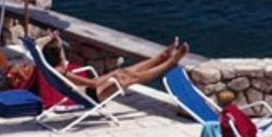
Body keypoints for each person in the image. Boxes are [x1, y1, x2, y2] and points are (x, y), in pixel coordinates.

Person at [42, 32, 189, 102]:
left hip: (90, 91)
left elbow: (52, 48)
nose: (64, 52)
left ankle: (161, 57)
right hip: (93, 95)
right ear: (58, 55)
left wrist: (54, 38)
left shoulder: (52, 66)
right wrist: (110, 77)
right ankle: (170, 63)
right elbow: (92, 83)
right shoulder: (64, 72)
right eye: (62, 50)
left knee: (121, 71)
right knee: (129, 78)